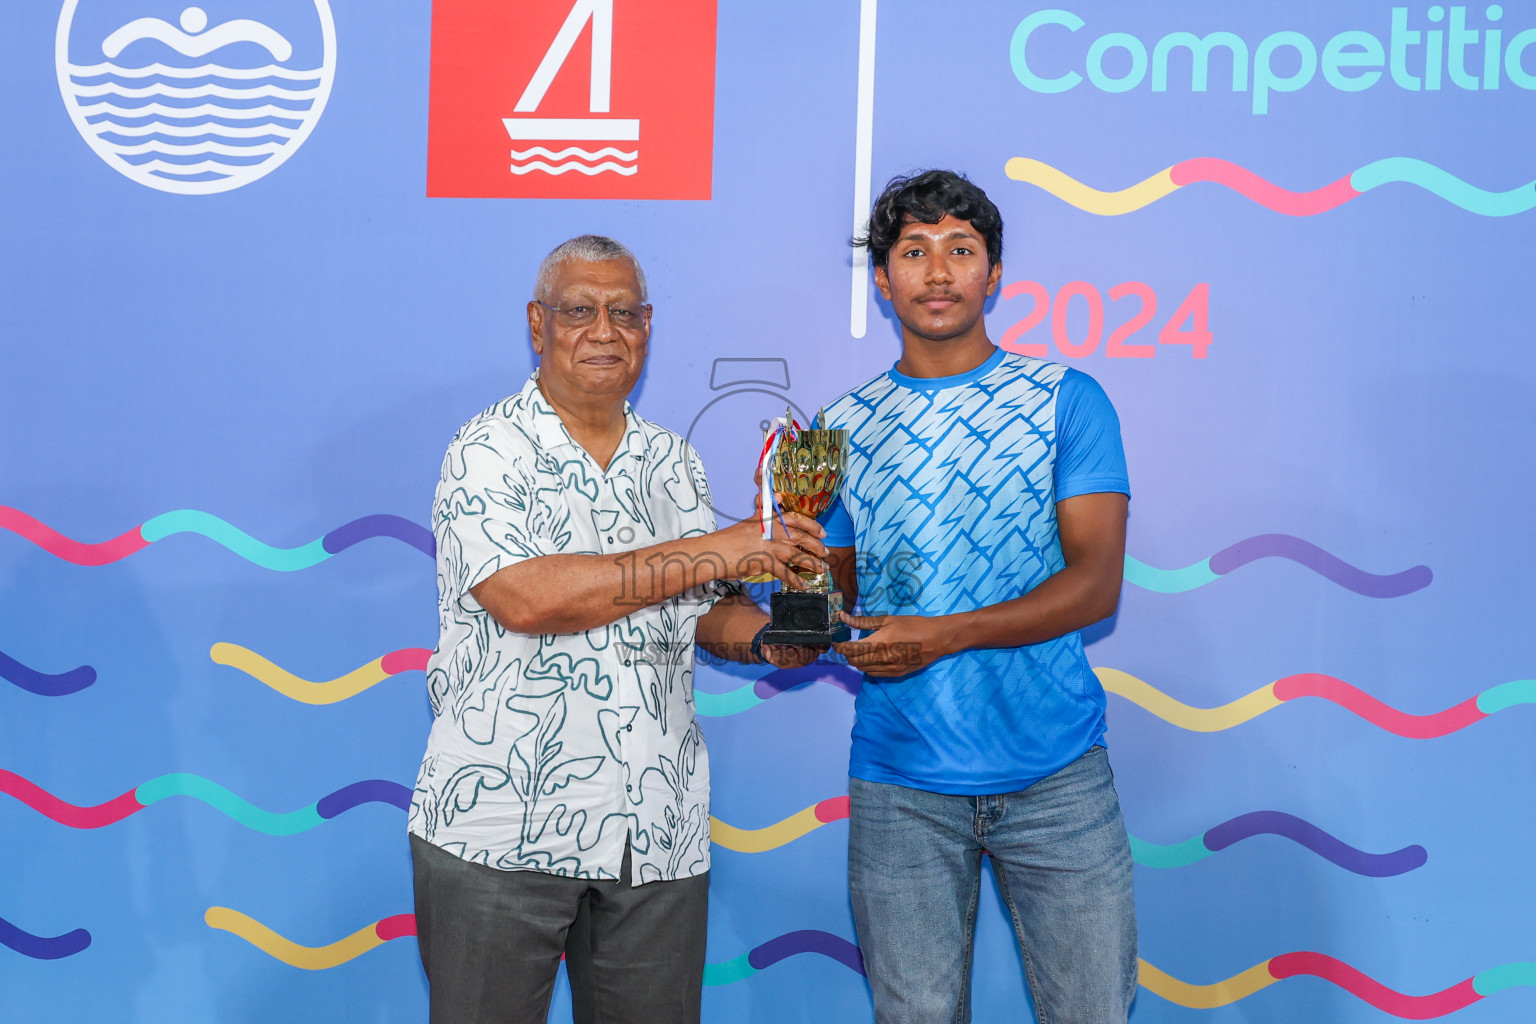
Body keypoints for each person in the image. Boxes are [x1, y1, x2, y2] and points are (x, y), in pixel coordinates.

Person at [406, 235, 826, 1024]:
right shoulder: (486, 450)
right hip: (500, 832)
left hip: (655, 831)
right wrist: (715, 547)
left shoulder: (674, 461)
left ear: (648, 326)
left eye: (624, 312)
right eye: (579, 311)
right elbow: (528, 599)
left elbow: (703, 611)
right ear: (538, 325)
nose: (604, 330)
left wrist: (779, 638)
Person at [820, 171, 1138, 1023]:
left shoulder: (1066, 400)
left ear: (994, 273)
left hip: (1057, 777)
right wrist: (795, 587)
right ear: (883, 279)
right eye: (913, 252)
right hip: (901, 785)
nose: (938, 271)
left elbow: (1095, 584)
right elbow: (838, 603)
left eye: (961, 250)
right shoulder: (836, 430)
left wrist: (944, 635)